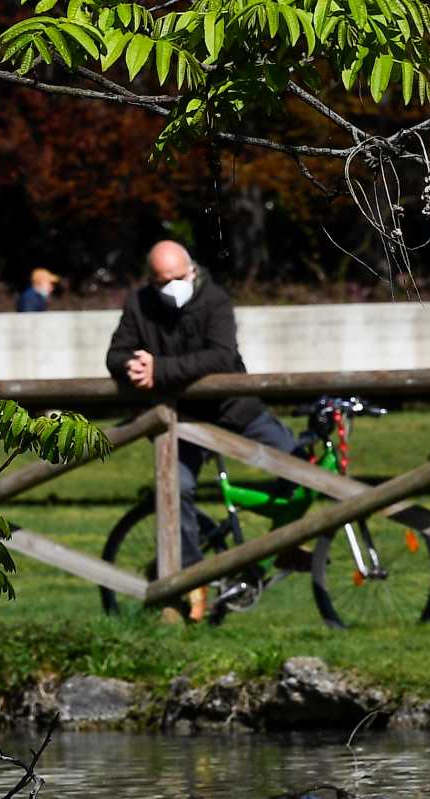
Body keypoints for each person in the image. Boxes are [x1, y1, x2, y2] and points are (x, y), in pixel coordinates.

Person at [105, 241, 303, 622]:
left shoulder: (215, 300)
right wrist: (133, 364)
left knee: (297, 461)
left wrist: (159, 370)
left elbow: (221, 355)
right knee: (176, 488)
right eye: (164, 282)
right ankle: (195, 577)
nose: (173, 287)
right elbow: (115, 354)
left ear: (192, 271)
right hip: (180, 421)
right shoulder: (138, 304)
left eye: (179, 278)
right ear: (151, 280)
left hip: (235, 409)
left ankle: (288, 542)